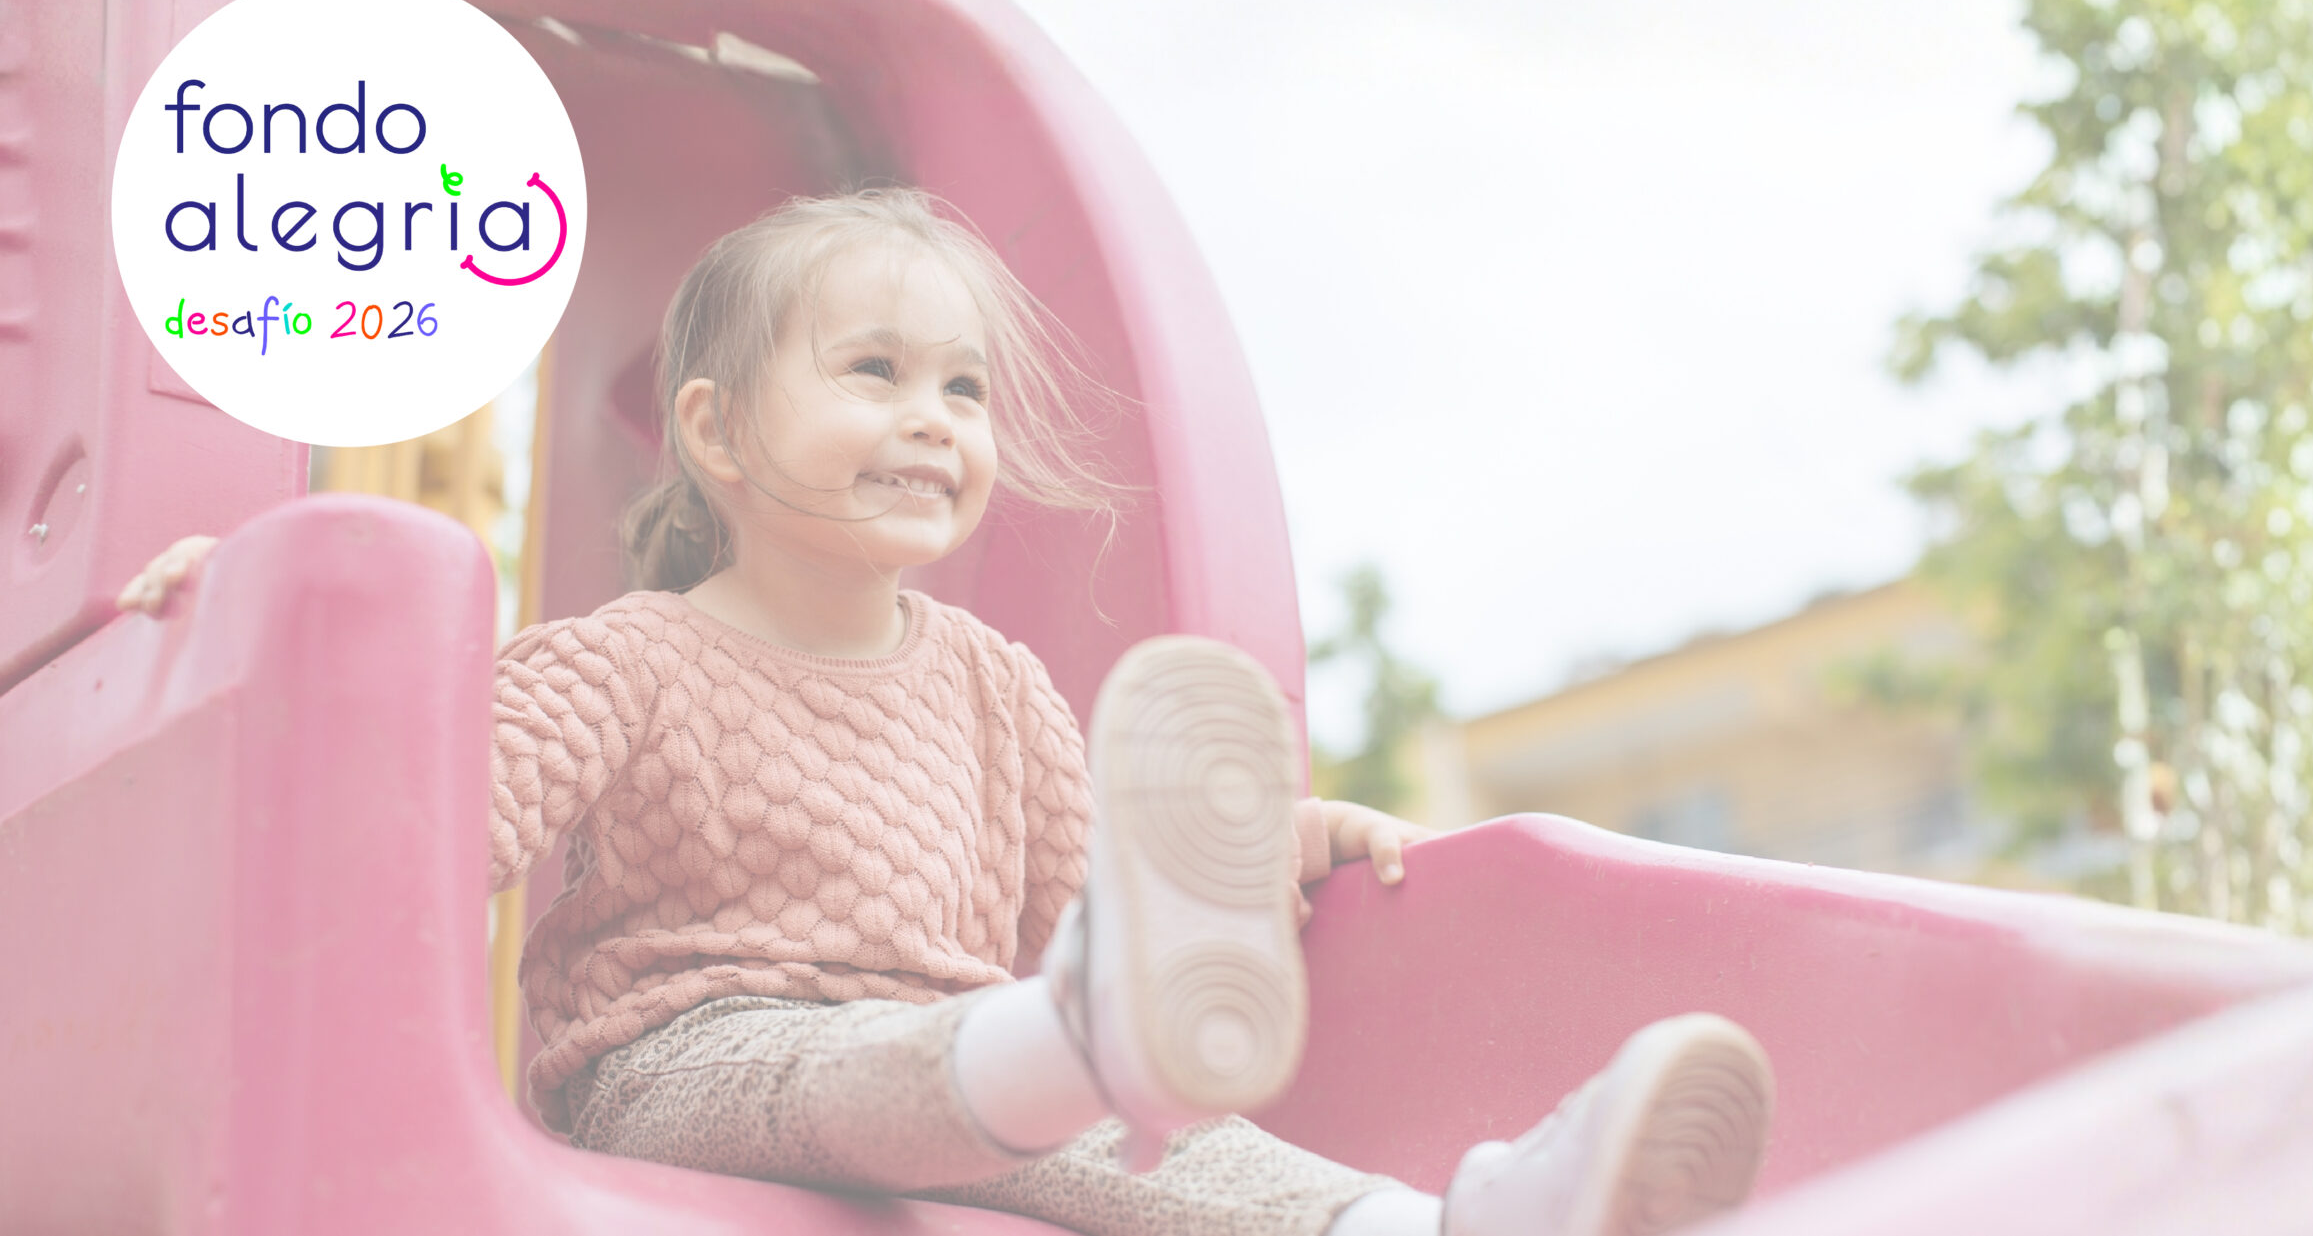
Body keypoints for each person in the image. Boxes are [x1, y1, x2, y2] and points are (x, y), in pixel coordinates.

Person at [116, 187, 1774, 1236]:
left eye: (963, 388)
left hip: (984, 1061)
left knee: (1145, 1131)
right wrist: (284, 625)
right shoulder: (624, 658)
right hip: (686, 1059)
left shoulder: (992, 683)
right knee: (952, 1064)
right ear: (717, 432)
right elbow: (411, 807)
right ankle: (1077, 1039)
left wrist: (1269, 848)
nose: (934, 420)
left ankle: (1457, 1219)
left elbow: (1098, 893)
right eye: (875, 373)